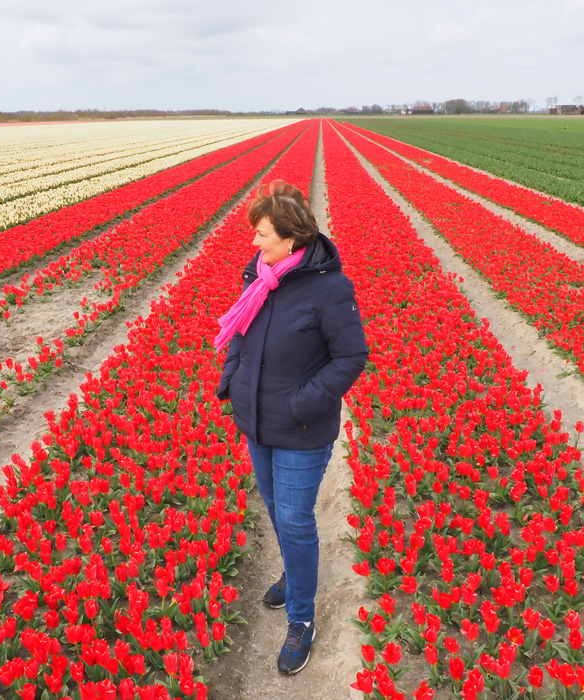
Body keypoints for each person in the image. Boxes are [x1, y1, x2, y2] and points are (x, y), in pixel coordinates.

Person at [215, 180, 368, 675]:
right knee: (277, 508)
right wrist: (233, 377)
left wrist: (303, 403)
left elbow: (351, 358)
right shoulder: (258, 276)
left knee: (298, 519)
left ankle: (302, 619)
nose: (253, 242)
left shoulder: (329, 289)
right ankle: (294, 575)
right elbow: (239, 331)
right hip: (257, 420)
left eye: (262, 234)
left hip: (301, 427)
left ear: (292, 241)